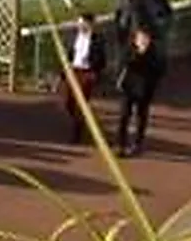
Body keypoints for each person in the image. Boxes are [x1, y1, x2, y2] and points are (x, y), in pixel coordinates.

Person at [114, 27, 164, 158]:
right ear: (135, 39)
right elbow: (126, 63)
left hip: (145, 88)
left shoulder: (154, 52)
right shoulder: (129, 50)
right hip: (129, 87)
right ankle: (121, 144)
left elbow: (159, 69)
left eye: (146, 38)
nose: (143, 41)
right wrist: (138, 53)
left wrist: (146, 56)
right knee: (124, 115)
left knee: (141, 116)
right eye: (141, 38)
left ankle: (138, 143)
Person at [63, 12, 107, 144]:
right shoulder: (73, 37)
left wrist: (94, 73)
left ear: (91, 24)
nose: (80, 26)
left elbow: (102, 60)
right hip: (73, 71)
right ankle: (81, 120)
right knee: (68, 102)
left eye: (83, 23)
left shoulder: (98, 40)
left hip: (87, 73)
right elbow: (69, 54)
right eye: (79, 23)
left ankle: (77, 133)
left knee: (80, 103)